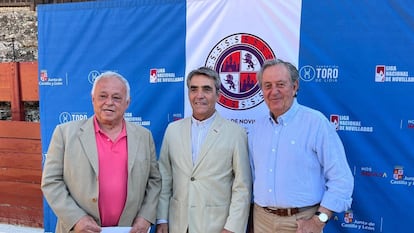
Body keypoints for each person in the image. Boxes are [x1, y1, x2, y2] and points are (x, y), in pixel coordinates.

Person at [41, 71, 161, 233]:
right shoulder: (65, 134)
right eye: (102, 96)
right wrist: (76, 218)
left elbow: (154, 181)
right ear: (93, 100)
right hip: (80, 230)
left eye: (116, 98)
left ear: (127, 102)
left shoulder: (144, 136)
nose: (109, 102)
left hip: (130, 229)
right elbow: (51, 181)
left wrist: (146, 216)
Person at [249, 59, 354, 233]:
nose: (273, 91)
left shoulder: (316, 123)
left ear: (295, 86)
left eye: (280, 84)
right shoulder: (256, 128)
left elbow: (341, 179)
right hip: (262, 221)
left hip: (302, 224)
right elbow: (252, 177)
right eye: (267, 85)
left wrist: (319, 221)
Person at [156, 67, 252, 233]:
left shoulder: (236, 133)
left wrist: (232, 227)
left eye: (207, 89)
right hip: (178, 225)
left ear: (218, 95)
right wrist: (162, 219)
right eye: (194, 89)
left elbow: (242, 187)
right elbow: (165, 179)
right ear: (188, 94)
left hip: (217, 226)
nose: (199, 95)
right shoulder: (173, 130)